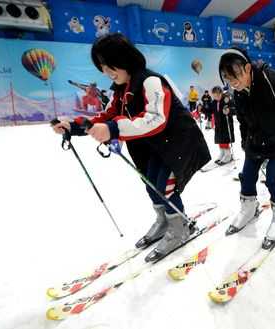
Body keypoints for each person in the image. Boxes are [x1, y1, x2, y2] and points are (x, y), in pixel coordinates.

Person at [51, 33, 210, 261]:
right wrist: (75, 126)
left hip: (179, 143)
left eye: (109, 66)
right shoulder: (121, 89)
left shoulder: (150, 81)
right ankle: (165, 222)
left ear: (124, 59)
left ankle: (180, 227)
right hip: (155, 146)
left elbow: (156, 119)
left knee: (165, 185)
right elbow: (108, 115)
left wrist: (113, 129)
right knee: (150, 183)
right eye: (103, 68)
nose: (107, 72)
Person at [218, 47, 275, 249]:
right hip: (256, 142)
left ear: (247, 67)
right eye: (228, 78)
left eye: (235, 76)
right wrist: (245, 141)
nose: (232, 82)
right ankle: (248, 209)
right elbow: (243, 120)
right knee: (247, 176)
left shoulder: (274, 81)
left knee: (273, 179)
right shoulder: (239, 93)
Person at [211, 86, 235, 164]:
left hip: (225, 123)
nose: (216, 98)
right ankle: (222, 153)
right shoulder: (214, 102)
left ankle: (228, 155)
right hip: (218, 124)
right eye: (214, 96)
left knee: (225, 139)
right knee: (219, 139)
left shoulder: (226, 100)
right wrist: (203, 109)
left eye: (218, 96)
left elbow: (234, 108)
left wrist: (229, 110)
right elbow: (210, 110)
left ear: (221, 93)